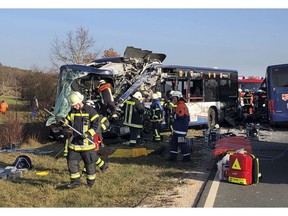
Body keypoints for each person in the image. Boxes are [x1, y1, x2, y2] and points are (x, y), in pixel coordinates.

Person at [57, 91, 108, 189]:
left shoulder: (90, 111)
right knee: (71, 162)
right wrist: (62, 121)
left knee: (89, 164)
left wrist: (89, 133)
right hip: (74, 144)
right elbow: (68, 123)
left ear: (80, 102)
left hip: (87, 144)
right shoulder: (72, 112)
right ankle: (75, 182)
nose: (74, 107)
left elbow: (96, 125)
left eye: (75, 105)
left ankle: (90, 183)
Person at [166, 91, 191, 162]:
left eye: (174, 98)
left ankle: (187, 157)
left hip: (181, 130)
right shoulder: (181, 105)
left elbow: (180, 116)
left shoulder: (180, 106)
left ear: (178, 98)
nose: (173, 100)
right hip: (178, 129)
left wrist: (173, 115)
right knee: (173, 143)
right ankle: (172, 157)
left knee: (182, 143)